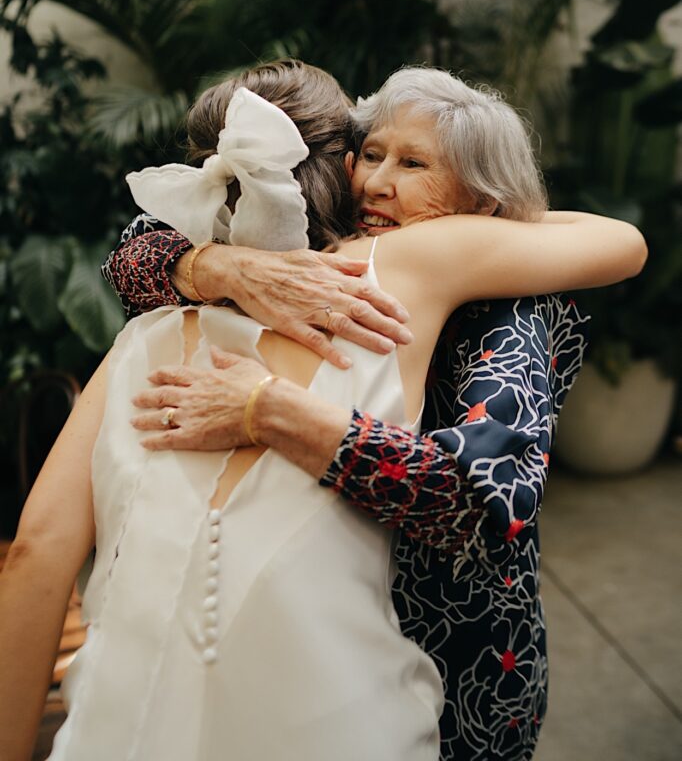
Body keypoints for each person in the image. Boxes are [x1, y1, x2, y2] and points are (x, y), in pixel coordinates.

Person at [0, 62, 646, 761]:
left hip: (447, 657)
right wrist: (210, 264)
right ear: (339, 161)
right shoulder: (404, 262)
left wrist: (264, 402)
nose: (377, 182)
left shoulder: (146, 335)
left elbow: (36, 553)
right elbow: (618, 240)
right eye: (371, 155)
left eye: (414, 163)